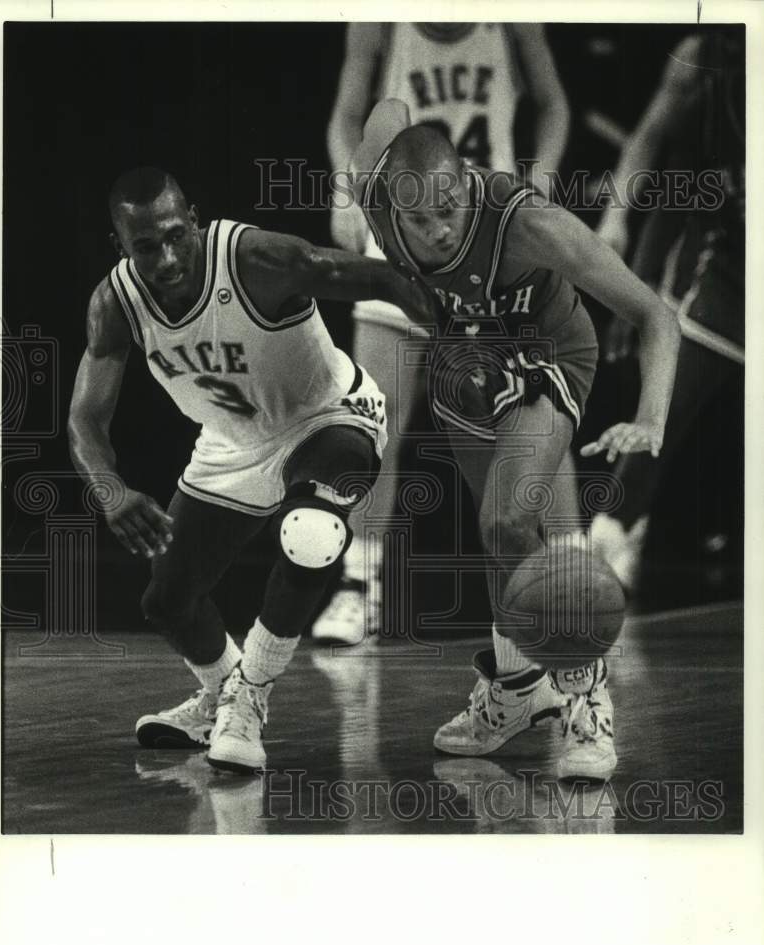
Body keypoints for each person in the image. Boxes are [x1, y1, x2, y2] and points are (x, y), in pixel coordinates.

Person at [67, 166, 441, 772]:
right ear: (121, 248)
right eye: (145, 246)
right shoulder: (116, 305)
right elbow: (85, 420)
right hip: (232, 444)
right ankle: (219, 694)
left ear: (193, 219)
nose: (166, 258)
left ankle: (250, 699)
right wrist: (110, 492)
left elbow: (381, 279)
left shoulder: (255, 260)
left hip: (330, 417)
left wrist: (460, 333)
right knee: (166, 601)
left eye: (174, 236)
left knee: (311, 535)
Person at [349, 100, 682, 779]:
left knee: (507, 516)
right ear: (390, 202)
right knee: (499, 540)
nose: (440, 231)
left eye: (450, 208)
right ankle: (515, 688)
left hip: (547, 358)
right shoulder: (373, 191)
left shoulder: (523, 222)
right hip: (465, 362)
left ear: (465, 183)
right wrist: (401, 127)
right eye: (422, 219)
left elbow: (653, 315)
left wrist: (648, 418)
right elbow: (385, 113)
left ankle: (587, 700)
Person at [315, 22, 573, 644]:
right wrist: (348, 191)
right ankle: (358, 584)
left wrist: (538, 183)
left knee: (538, 402)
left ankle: (570, 572)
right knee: (376, 413)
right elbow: (346, 117)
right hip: (405, 228)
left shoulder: (512, 21)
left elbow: (555, 105)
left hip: (485, 227)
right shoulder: (378, 21)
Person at [591, 29, 744, 589]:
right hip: (730, 275)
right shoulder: (703, 60)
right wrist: (614, 222)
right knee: (664, 406)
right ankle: (611, 538)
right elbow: (648, 143)